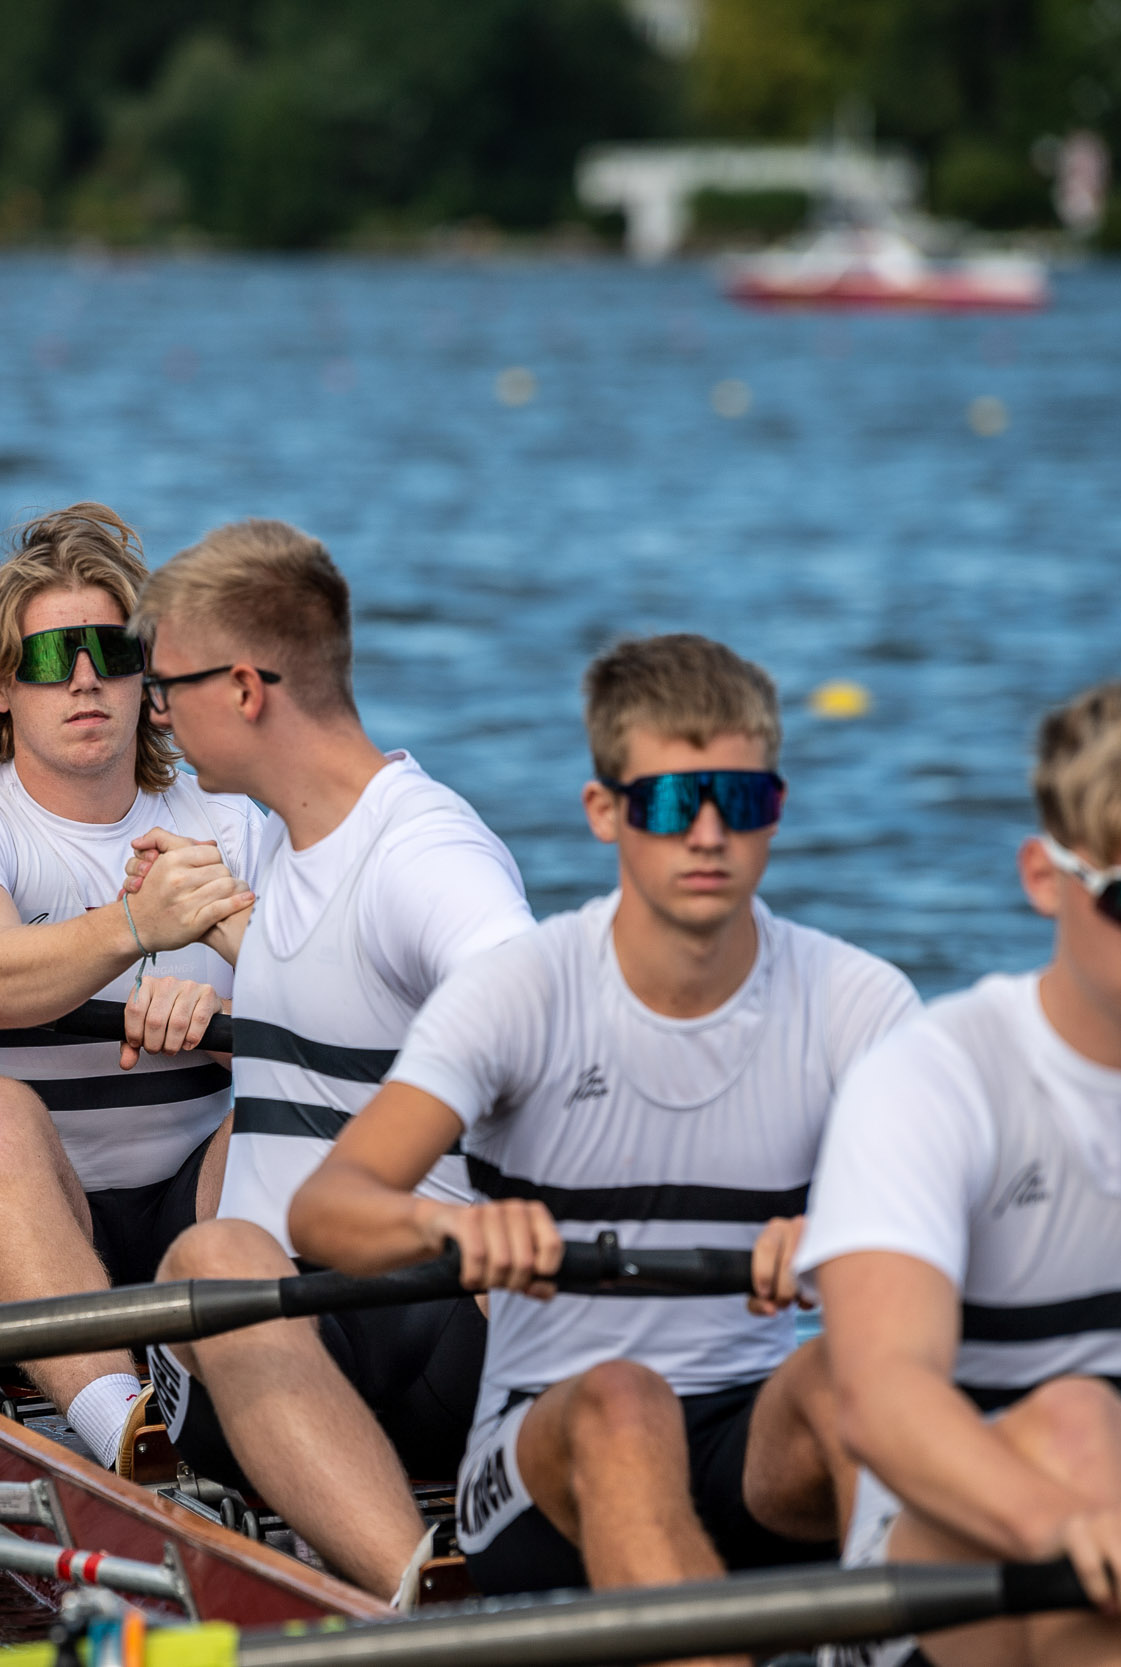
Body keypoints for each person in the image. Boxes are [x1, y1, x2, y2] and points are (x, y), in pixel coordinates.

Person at [288, 634, 919, 1620]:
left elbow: (966, 1220)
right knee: (625, 1399)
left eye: (739, 802)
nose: (706, 834)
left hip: (746, 1441)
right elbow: (328, 1210)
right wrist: (452, 1231)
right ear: (604, 812)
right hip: (542, 1456)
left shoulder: (859, 1001)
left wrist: (858, 1235)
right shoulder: (518, 992)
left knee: (863, 1372)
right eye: (671, 803)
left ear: (777, 810)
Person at [800, 671, 1121, 1667]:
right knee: (1084, 1428)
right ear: (1045, 875)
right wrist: (1068, 1522)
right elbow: (879, 1394)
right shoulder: (933, 1074)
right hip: (958, 1571)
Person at [125, 518, 535, 1602]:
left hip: (439, 1323)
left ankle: (411, 1602)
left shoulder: (426, 853)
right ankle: (419, 1578)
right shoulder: (271, 835)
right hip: (295, 1336)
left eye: (165, 686)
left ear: (248, 687)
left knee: (206, 1254)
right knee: (225, 1228)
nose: (152, 714)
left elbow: (535, 1007)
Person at [0, 503, 264, 1475]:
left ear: (150, 675)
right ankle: (120, 1428)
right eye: (50, 658)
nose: (85, 676)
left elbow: (347, 1013)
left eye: (111, 649)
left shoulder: (234, 823)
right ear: (0, 687)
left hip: (191, 1207)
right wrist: (137, 928)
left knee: (280, 1115)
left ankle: (235, 1399)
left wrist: (226, 1024)